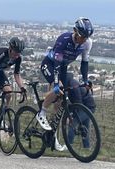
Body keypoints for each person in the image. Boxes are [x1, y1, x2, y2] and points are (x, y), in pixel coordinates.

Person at [38, 17, 94, 151]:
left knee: (58, 105)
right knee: (59, 88)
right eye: (82, 36)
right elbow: (56, 64)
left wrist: (85, 81)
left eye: (87, 37)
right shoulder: (64, 39)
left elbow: (84, 63)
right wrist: (56, 83)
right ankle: (42, 112)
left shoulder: (87, 43)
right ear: (75, 31)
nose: (84, 40)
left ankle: (53, 137)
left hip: (62, 68)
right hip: (50, 65)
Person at [66, 73, 96, 148]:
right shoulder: (72, 83)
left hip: (86, 107)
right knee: (85, 127)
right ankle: (86, 147)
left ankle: (69, 146)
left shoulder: (73, 85)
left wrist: (72, 116)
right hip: (89, 107)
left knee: (73, 124)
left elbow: (78, 102)